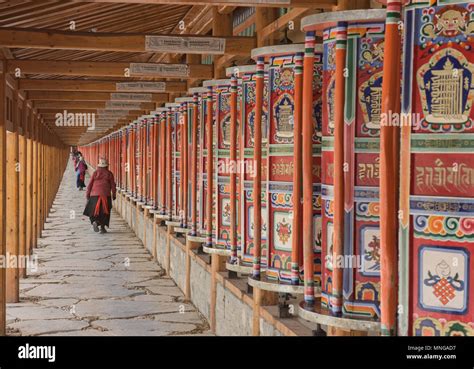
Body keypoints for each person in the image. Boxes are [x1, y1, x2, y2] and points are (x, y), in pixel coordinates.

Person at [83, 158, 117, 234]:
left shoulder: (95, 173)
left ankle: (95, 221)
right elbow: (113, 186)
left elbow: (90, 185)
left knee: (92, 211)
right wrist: (114, 195)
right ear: (106, 166)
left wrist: (88, 196)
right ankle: (102, 227)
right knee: (105, 212)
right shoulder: (109, 173)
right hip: (106, 195)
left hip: (94, 196)